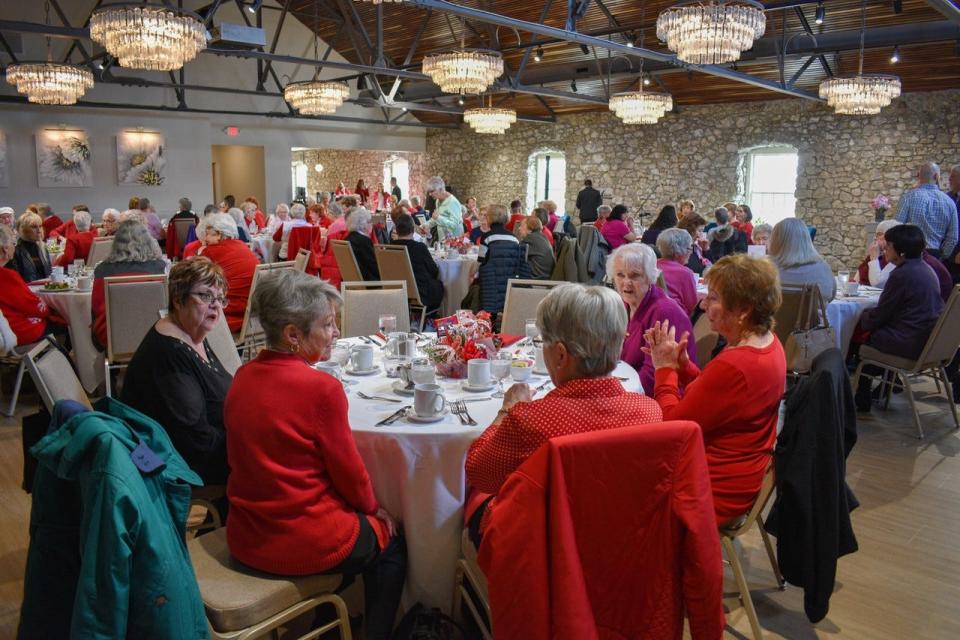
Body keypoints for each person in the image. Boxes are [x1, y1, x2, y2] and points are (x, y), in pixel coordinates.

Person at [224, 271, 405, 639]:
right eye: (327, 324)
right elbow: (351, 475)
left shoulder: (241, 377)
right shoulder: (321, 388)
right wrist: (375, 509)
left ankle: (329, 621)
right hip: (298, 540)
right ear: (293, 335)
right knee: (393, 544)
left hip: (246, 533)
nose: (336, 332)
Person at [465, 283, 663, 542]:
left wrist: (506, 410)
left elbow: (480, 474)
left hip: (543, 550)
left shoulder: (530, 420)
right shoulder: (649, 412)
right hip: (622, 544)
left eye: (542, 341)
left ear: (560, 354)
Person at [644, 254, 786, 525]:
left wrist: (664, 370)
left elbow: (671, 426)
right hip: (744, 474)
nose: (703, 303)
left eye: (714, 298)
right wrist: (684, 368)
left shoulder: (737, 363)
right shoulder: (767, 343)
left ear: (743, 310)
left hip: (713, 488)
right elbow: (724, 398)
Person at [121, 257, 232, 485]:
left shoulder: (192, 331)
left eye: (220, 298)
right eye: (205, 296)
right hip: (186, 466)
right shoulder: (169, 354)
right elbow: (194, 440)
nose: (216, 305)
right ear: (178, 299)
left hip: (211, 447)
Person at [853, 224, 945, 410]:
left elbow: (881, 315)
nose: (885, 250)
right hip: (926, 340)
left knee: (858, 339)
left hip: (908, 342)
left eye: (888, 246)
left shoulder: (902, 274)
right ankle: (884, 388)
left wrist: (860, 318)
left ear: (900, 250)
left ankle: (861, 399)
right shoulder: (925, 269)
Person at [609, 243, 696, 393]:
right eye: (620, 275)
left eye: (635, 275)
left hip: (663, 394)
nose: (626, 282)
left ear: (650, 277)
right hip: (629, 383)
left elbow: (653, 374)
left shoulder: (663, 312)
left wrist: (617, 396)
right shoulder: (625, 304)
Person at [90, 220, 167, 350]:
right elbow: (165, 306)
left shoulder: (102, 270)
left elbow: (96, 309)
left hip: (111, 336)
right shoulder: (159, 268)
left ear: (116, 243)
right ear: (148, 242)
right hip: (155, 334)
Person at [0, 224, 61, 345]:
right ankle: (67, 361)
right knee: (69, 323)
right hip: (17, 331)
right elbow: (34, 307)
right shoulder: (6, 276)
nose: (14, 246)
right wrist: (55, 310)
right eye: (13, 243)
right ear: (5, 249)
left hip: (6, 330)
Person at [198, 213, 258, 332]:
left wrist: (200, 252)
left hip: (229, 312)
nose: (205, 239)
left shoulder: (211, 251)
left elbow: (195, 281)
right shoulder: (243, 245)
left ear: (219, 234)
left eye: (208, 234)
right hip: (253, 311)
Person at [894, 161, 958, 258]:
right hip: (935, 255)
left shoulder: (908, 197)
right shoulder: (949, 202)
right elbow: (953, 237)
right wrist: (942, 256)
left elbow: (896, 228)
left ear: (919, 176)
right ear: (936, 176)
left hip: (911, 255)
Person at [768, 218, 836, 302]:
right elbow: (831, 297)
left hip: (775, 315)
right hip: (813, 315)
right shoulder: (823, 269)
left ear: (775, 241)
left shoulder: (766, 271)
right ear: (807, 239)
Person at [391, 214, 443, 309]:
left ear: (397, 230)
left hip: (395, 291)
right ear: (412, 229)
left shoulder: (388, 248)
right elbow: (434, 271)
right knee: (439, 285)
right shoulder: (419, 247)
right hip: (419, 292)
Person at [656, 228, 699, 315]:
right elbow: (692, 307)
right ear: (678, 251)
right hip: (677, 319)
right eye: (689, 248)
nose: (690, 252)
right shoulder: (684, 273)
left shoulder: (652, 265)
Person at [10, 212, 51, 282]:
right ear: (23, 230)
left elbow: (49, 273)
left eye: (40, 226)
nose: (39, 230)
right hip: (26, 289)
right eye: (34, 227)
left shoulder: (42, 247)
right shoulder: (15, 250)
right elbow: (14, 278)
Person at [517, 215, 555, 280]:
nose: (519, 228)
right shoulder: (542, 237)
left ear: (530, 229)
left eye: (522, 226)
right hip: (545, 277)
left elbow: (516, 256)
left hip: (536, 280)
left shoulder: (530, 239)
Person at [347, 207, 380, 281]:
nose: (372, 224)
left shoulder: (348, 238)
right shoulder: (364, 241)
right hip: (367, 281)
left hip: (353, 280)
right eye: (370, 221)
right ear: (363, 224)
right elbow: (374, 266)